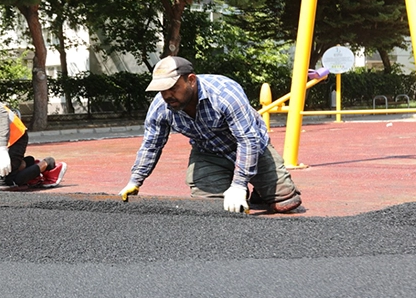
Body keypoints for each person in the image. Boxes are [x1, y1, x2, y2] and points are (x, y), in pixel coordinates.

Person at [118, 56, 302, 213]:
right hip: (208, 153)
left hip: (251, 148)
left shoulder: (225, 95)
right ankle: (241, 186)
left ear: (191, 80)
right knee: (211, 208)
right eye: (162, 90)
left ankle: (260, 190)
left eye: (173, 88)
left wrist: (238, 185)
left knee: (286, 203)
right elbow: (151, 145)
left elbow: (248, 141)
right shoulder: (161, 107)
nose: (167, 95)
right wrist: (135, 180)